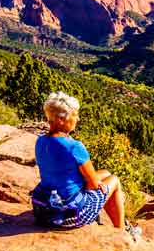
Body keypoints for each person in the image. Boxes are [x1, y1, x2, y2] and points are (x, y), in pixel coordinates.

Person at [31, 91, 125, 229]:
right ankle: (121, 230)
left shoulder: (40, 141)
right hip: (71, 214)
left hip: (45, 210)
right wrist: (95, 183)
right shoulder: (75, 147)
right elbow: (93, 184)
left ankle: (121, 226)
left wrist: (95, 181)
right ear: (60, 120)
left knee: (105, 173)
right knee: (114, 180)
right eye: (74, 115)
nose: (78, 119)